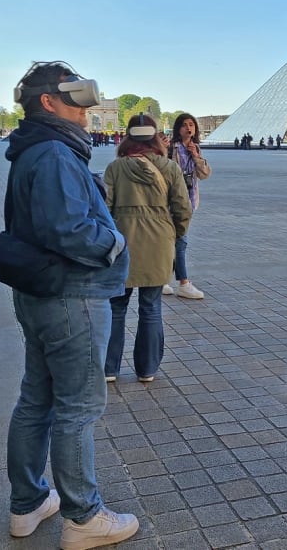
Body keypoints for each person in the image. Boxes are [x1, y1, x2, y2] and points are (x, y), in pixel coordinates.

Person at [2, 61, 137, 548]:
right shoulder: (57, 152)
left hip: (40, 294)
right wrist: (114, 244)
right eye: (76, 104)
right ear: (48, 103)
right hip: (72, 296)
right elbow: (69, 230)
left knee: (36, 399)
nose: (86, 113)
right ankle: (83, 518)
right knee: (77, 409)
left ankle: (28, 503)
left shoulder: (30, 148)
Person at [103, 114, 191, 383]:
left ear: (128, 137)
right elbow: (183, 209)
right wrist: (173, 234)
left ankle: (109, 368)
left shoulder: (115, 168)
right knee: (151, 307)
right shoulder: (169, 167)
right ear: (155, 137)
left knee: (116, 307)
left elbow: (104, 209)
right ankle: (147, 369)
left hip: (122, 242)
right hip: (159, 241)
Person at [167, 112, 211, 299]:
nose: (189, 127)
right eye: (184, 124)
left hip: (190, 201)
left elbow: (204, 174)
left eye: (191, 124)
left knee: (173, 241)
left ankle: (162, 280)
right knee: (180, 241)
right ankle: (183, 283)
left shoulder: (196, 149)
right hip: (172, 201)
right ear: (178, 128)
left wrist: (196, 155)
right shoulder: (171, 148)